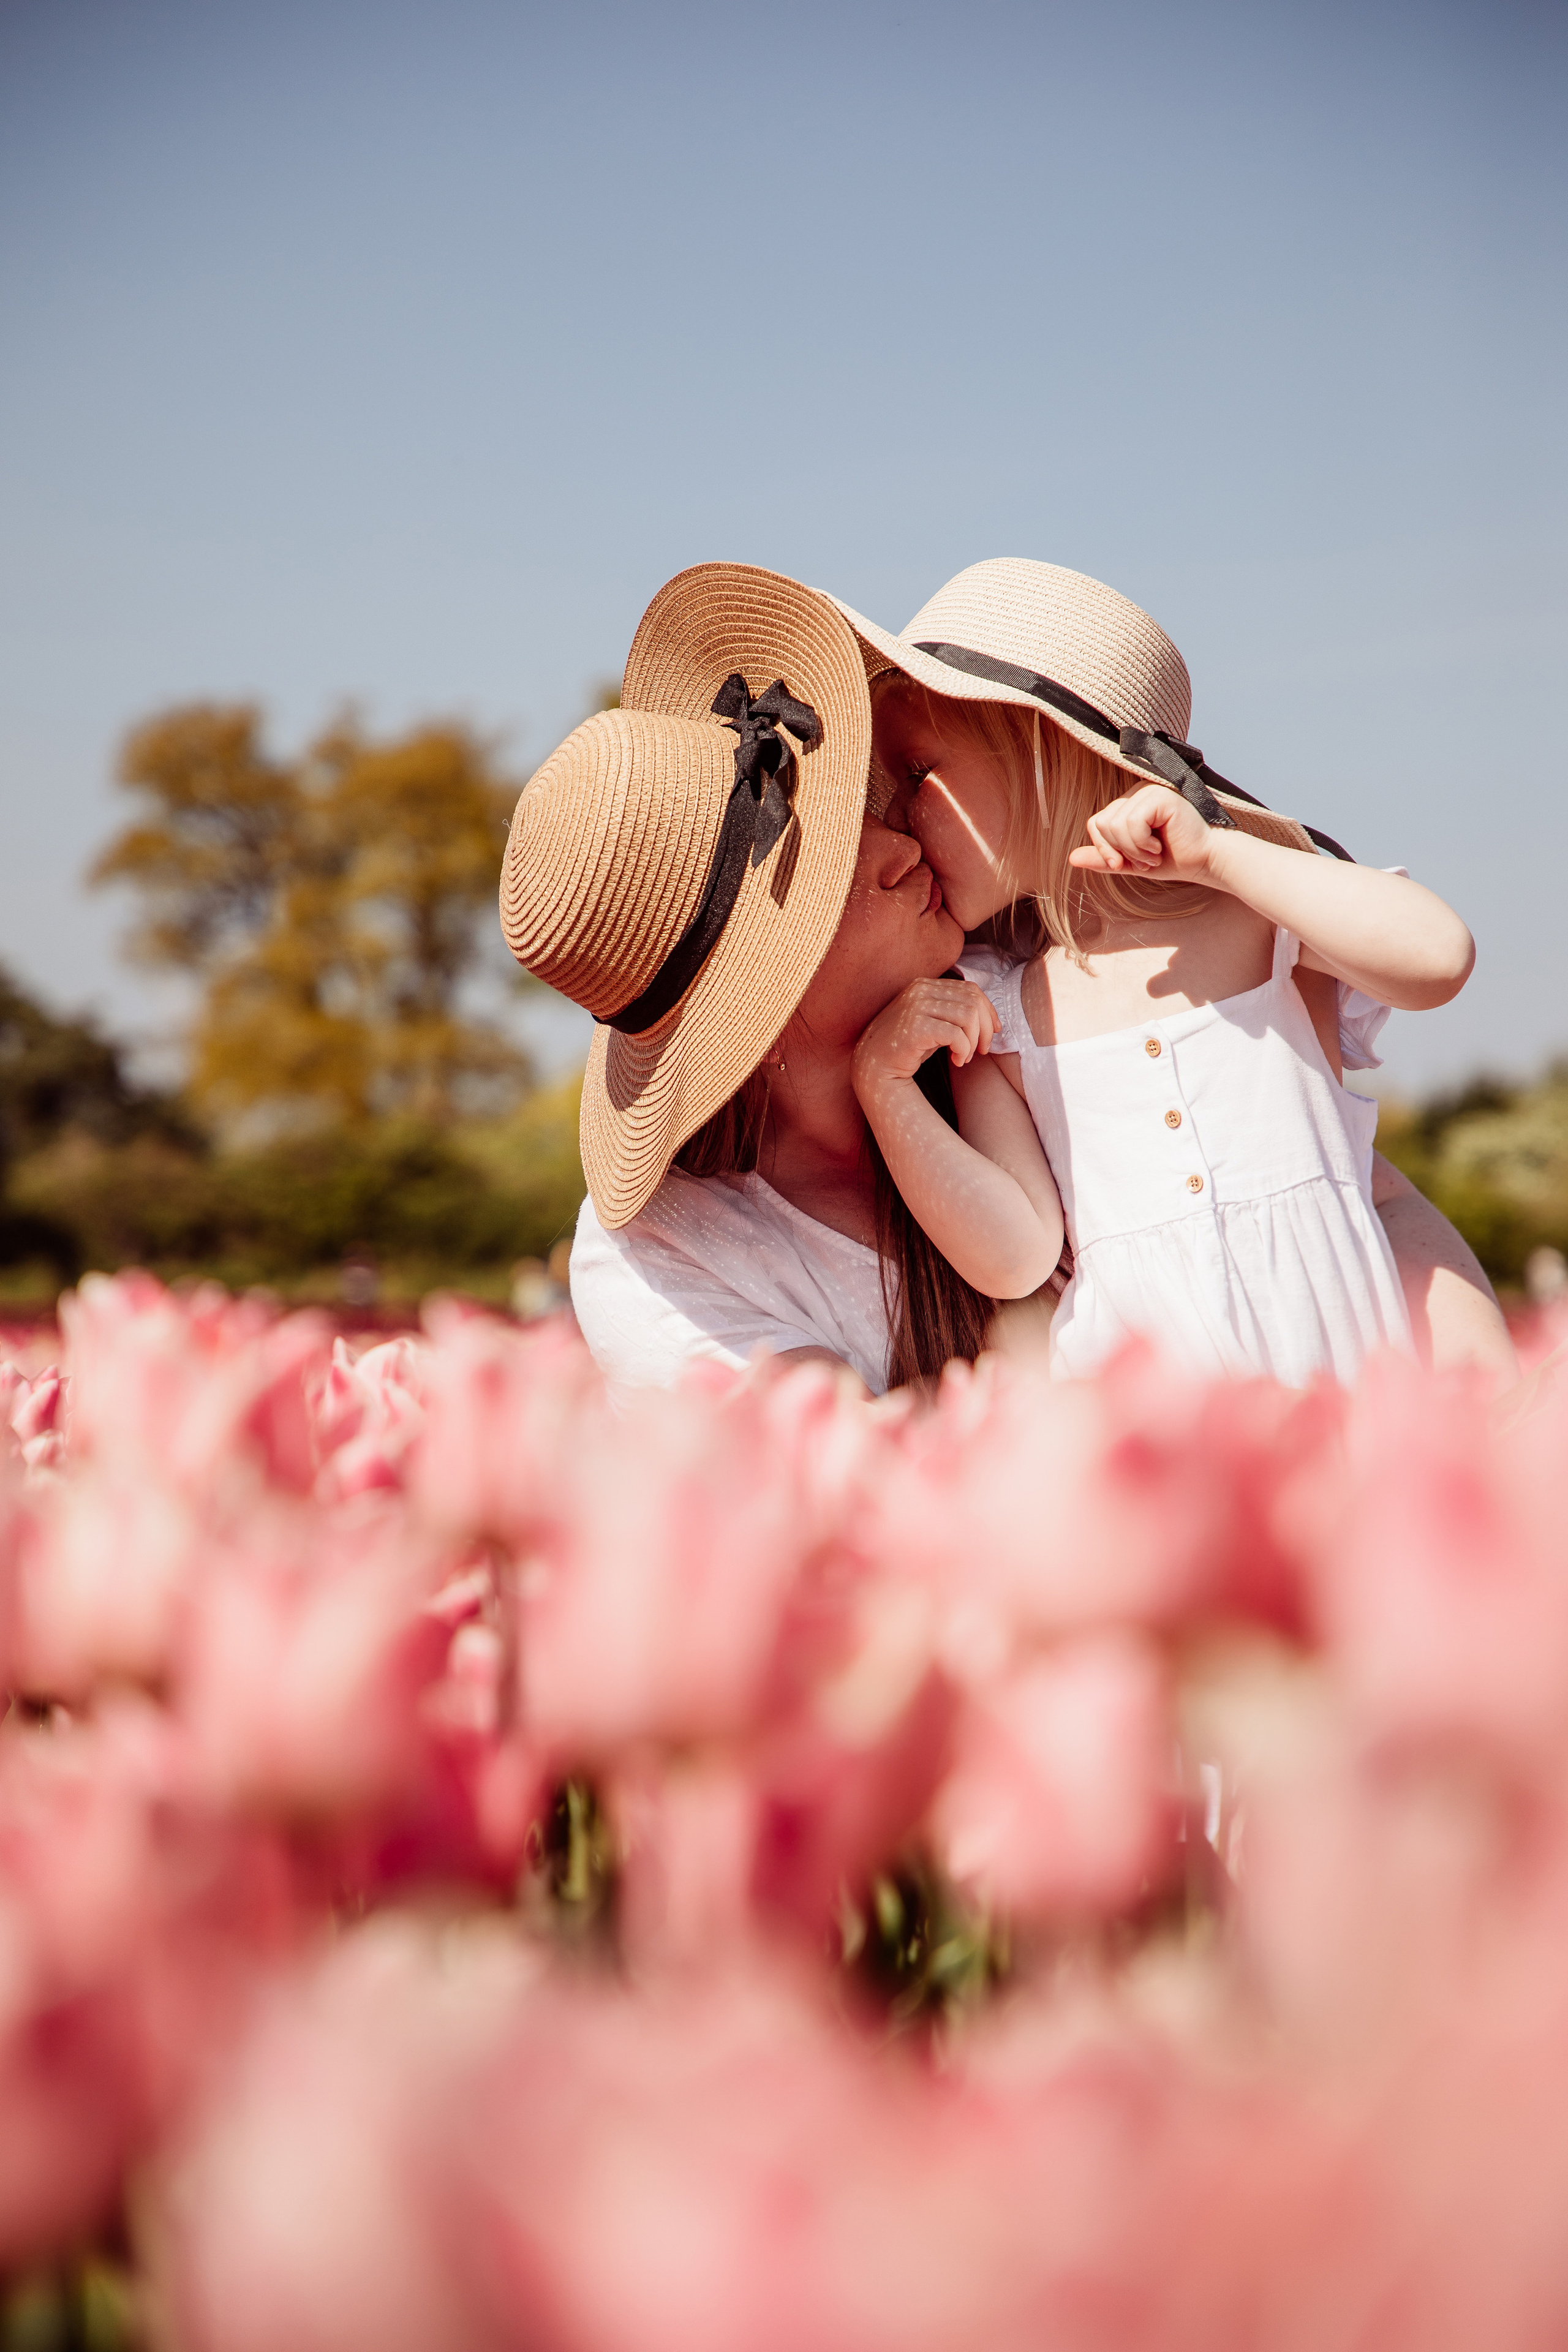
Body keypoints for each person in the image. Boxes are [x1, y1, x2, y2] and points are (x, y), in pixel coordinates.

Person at [500, 562, 1511, 1395]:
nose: (901, 843)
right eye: (826, 886)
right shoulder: (673, 1258)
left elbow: (1353, 1172)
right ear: (751, 1005)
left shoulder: (1059, 959)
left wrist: (1484, 1405)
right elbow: (863, 1485)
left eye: (886, 804)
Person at [838, 557, 1513, 1387]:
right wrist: (885, 1085)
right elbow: (1015, 1257)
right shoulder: (1000, 1006)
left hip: (1342, 1405)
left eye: (914, 774)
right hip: (1154, 1432)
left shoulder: (1264, 916)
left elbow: (1439, 958)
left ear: (1041, 746)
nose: (897, 821)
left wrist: (1224, 854)